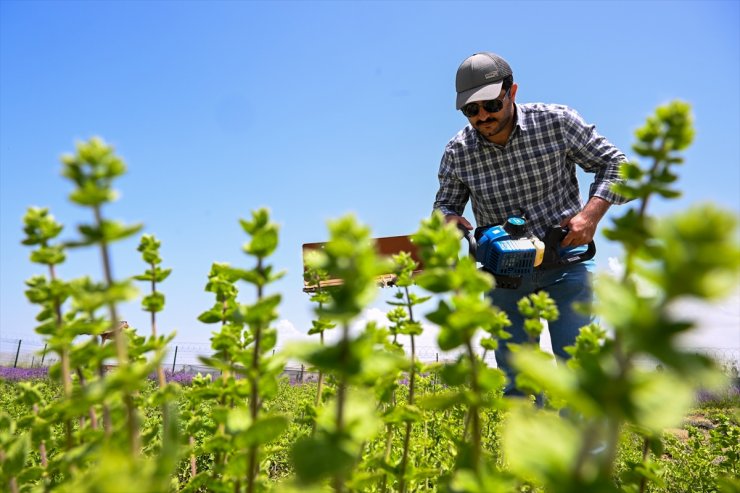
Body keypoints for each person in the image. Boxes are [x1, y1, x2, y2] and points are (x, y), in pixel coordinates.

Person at [433, 51, 630, 396]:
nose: (482, 116)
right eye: (471, 110)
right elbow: (444, 204)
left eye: (490, 105)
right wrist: (449, 220)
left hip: (567, 263)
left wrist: (590, 215)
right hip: (505, 277)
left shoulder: (557, 122)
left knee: (581, 371)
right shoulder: (457, 152)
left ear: (512, 91)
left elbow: (618, 166)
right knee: (516, 380)